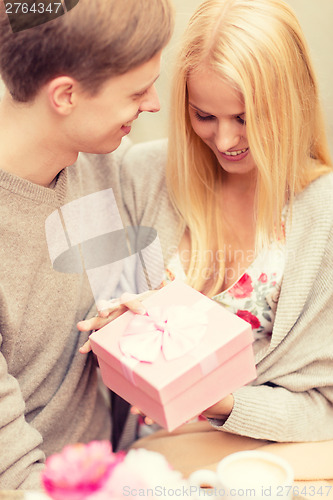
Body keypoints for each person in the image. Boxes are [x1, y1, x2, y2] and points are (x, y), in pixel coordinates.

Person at [85, 0, 333, 476]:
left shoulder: (321, 214)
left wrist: (220, 402)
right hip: (141, 466)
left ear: (292, 102)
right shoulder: (142, 174)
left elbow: (325, 406)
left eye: (246, 117)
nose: (223, 141)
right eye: (204, 116)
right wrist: (116, 328)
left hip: (254, 468)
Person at [0, 0, 174, 489]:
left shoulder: (101, 162)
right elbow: (15, 479)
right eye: (138, 91)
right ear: (65, 95)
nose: (154, 104)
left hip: (120, 460)